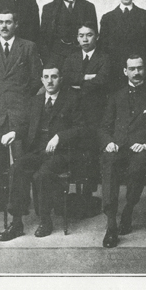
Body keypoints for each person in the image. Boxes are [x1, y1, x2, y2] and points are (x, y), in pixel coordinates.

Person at [0, 65, 85, 241]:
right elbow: (25, 126)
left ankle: (46, 220)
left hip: (62, 153)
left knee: (42, 175)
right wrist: (13, 133)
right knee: (17, 168)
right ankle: (16, 222)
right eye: (46, 77)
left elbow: (81, 128)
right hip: (38, 151)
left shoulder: (72, 99)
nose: (50, 81)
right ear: (41, 80)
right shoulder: (36, 101)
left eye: (54, 77)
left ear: (61, 79)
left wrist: (59, 136)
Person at [98, 55, 146, 248]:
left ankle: (128, 210)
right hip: (119, 148)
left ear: (144, 70)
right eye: (132, 69)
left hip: (143, 150)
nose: (136, 73)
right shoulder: (116, 96)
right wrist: (108, 142)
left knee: (137, 167)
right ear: (125, 71)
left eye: (139, 68)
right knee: (109, 163)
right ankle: (111, 223)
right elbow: (103, 127)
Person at [0, 9, 43, 213]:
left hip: (21, 113)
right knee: (0, 161)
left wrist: (19, 98)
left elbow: (35, 80)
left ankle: (20, 203)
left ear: (16, 24)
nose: (4, 26)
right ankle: (2, 202)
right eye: (0, 22)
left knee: (21, 161)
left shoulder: (28, 47)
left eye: (8, 22)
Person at [63, 21, 112, 198]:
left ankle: (89, 192)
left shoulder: (104, 58)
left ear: (96, 37)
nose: (85, 39)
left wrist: (79, 83)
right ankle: (77, 191)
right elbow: (66, 79)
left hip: (95, 110)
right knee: (75, 147)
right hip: (74, 112)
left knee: (91, 148)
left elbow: (103, 80)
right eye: (81, 35)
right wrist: (87, 77)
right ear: (77, 38)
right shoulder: (71, 58)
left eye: (89, 35)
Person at [99, 0, 146, 90]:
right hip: (115, 71)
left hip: (138, 71)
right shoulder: (108, 18)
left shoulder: (145, 16)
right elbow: (103, 48)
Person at [39, 0, 97, 65]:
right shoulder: (49, 8)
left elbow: (94, 36)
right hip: (56, 58)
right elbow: (43, 38)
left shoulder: (88, 7)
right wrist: (48, 61)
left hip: (81, 58)